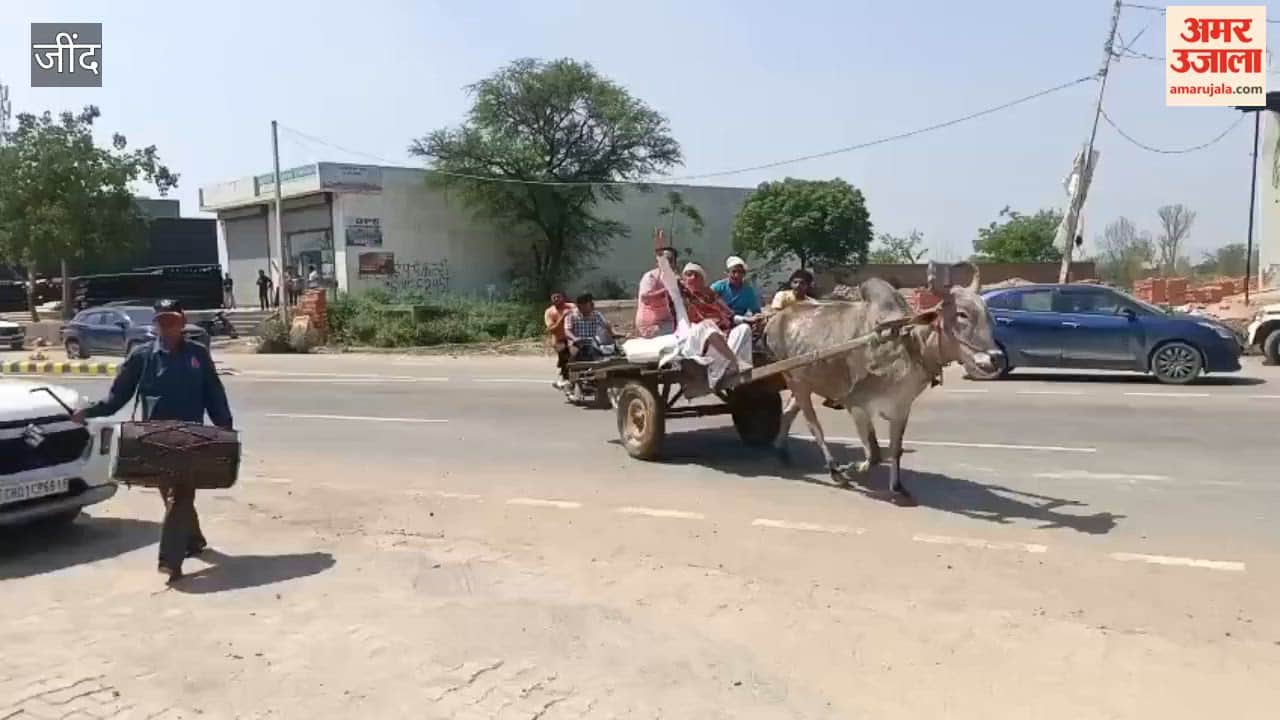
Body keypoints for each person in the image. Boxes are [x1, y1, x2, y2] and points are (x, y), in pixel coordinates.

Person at [72, 299, 234, 583]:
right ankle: (193, 540)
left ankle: (170, 561)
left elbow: (214, 395)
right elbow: (117, 397)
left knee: (180, 494)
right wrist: (90, 412)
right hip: (152, 440)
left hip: (189, 438)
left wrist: (225, 431)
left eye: (173, 320)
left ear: (182, 322)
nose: (168, 326)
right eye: (162, 321)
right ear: (155, 324)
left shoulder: (197, 355)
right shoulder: (142, 356)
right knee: (172, 496)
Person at [679, 263, 753, 389]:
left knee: (744, 329)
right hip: (695, 336)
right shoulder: (681, 295)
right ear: (683, 279)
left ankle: (723, 370)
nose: (692, 278)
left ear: (702, 280)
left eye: (697, 275)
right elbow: (669, 280)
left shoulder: (710, 294)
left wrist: (747, 319)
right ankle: (735, 362)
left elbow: (729, 315)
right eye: (689, 275)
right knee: (708, 325)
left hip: (719, 334)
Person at [636, 246, 678, 338]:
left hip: (668, 321)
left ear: (674, 263)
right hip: (652, 325)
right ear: (657, 262)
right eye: (663, 260)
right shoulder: (650, 277)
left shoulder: (674, 278)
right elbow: (645, 298)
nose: (666, 263)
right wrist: (667, 290)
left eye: (670, 260)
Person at [563, 293, 614, 361]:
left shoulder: (597, 315)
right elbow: (567, 331)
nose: (592, 306)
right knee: (574, 355)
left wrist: (612, 334)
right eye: (587, 304)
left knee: (605, 356)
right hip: (577, 344)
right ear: (580, 306)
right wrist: (574, 338)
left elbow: (606, 325)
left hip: (593, 343)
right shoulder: (571, 316)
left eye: (591, 304)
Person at [710, 256, 761, 321]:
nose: (737, 275)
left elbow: (756, 311)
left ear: (744, 274)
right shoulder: (719, 287)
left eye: (740, 272)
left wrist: (757, 318)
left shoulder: (748, 291)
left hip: (739, 322)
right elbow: (705, 298)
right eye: (734, 272)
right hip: (720, 320)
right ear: (727, 273)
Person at [544, 291, 575, 389]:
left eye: (558, 296)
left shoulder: (572, 307)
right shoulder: (549, 312)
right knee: (564, 354)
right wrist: (562, 317)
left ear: (564, 298)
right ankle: (564, 378)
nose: (556, 299)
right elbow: (551, 329)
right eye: (554, 297)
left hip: (573, 338)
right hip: (559, 340)